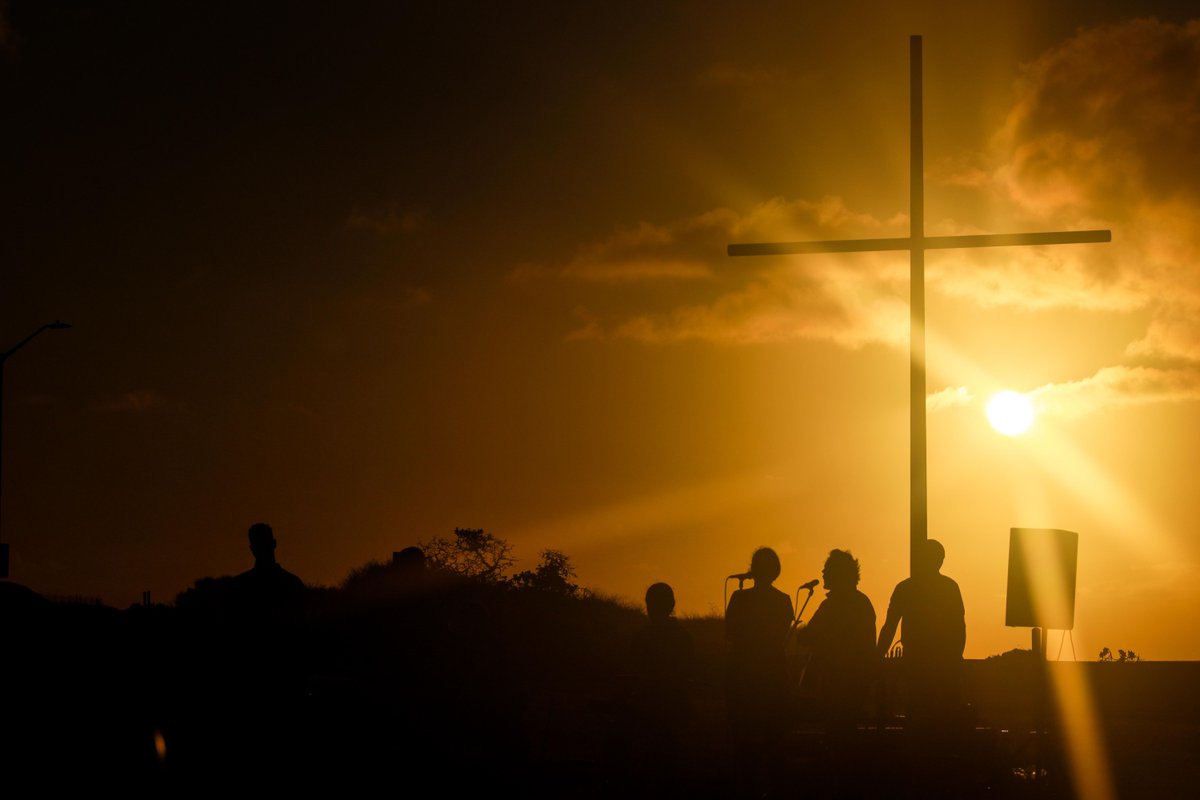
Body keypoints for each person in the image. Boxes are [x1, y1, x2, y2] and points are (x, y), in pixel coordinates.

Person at [793, 550, 876, 790]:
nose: (823, 573)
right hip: (854, 683)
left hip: (836, 683)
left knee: (837, 737)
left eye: (828, 570)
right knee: (844, 736)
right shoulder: (862, 603)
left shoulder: (831, 606)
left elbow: (809, 636)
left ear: (838, 575)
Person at [876, 538, 965, 742]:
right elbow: (959, 629)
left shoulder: (905, 588)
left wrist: (877, 656)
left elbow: (889, 627)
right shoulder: (950, 587)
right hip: (942, 667)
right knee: (942, 724)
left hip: (917, 665)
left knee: (918, 717)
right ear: (940, 560)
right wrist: (955, 659)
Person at [725, 547, 794, 796]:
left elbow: (730, 633)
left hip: (743, 674)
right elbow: (782, 637)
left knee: (744, 742)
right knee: (775, 742)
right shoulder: (784, 601)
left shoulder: (739, 598)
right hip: (773, 674)